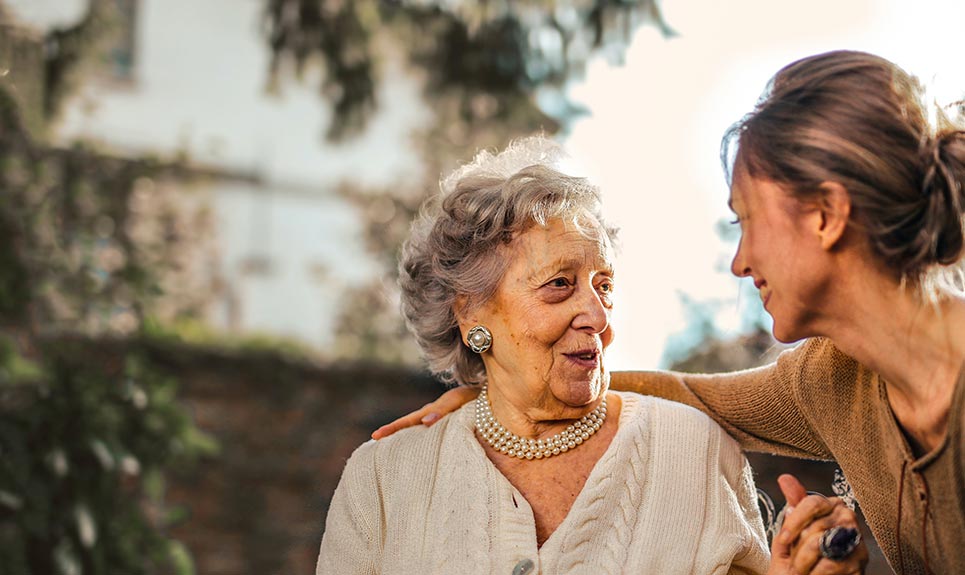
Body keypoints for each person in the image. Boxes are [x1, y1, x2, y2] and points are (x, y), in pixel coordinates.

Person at [373, 50, 965, 575]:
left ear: (826, 216)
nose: (740, 261)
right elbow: (691, 394)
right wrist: (509, 390)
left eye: (746, 220)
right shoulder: (832, 380)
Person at [316, 137, 866, 574]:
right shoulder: (385, 479)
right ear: (470, 313)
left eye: (603, 284)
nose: (598, 317)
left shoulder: (690, 450)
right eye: (559, 284)